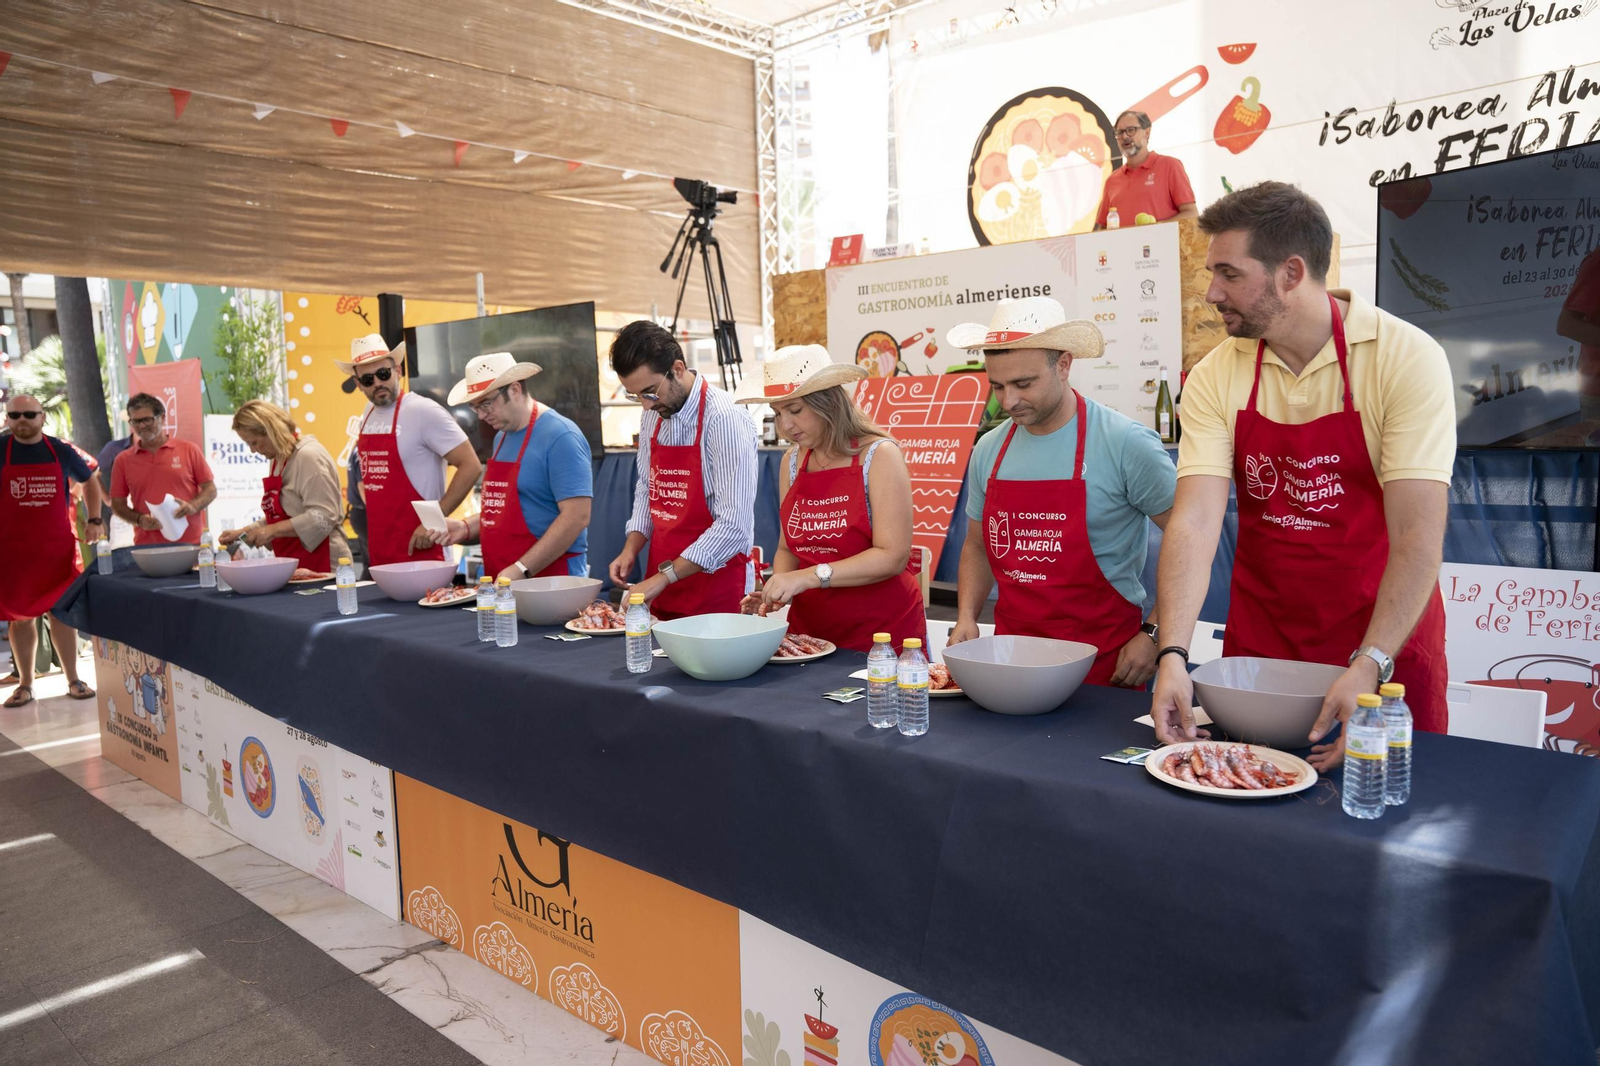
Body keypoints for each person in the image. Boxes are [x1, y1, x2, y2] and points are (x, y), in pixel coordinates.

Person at [1150, 181, 1455, 770]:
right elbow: (1194, 522)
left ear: (1291, 272)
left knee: (1381, 810)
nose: (1211, 293)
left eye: (1229, 274)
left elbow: (1417, 535)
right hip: (1265, 648)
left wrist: (1370, 662)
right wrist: (1173, 654)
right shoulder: (1215, 374)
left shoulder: (1404, 357)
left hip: (1381, 640)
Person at [943, 298, 1176, 688]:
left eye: (1023, 384)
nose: (1008, 401)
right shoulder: (988, 450)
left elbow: (1190, 540)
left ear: (1064, 365)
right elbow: (977, 546)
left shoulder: (1125, 443)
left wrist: (1154, 634)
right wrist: (966, 615)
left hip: (1105, 664)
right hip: (1013, 661)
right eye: (997, 386)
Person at [732, 345, 925, 653]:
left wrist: (807, 577)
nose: (786, 425)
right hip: (811, 631)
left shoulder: (879, 455)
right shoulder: (792, 461)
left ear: (828, 403)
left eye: (795, 410)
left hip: (882, 633)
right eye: (778, 413)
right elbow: (787, 547)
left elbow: (892, 557)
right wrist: (780, 587)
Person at [607, 321, 757, 618]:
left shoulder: (725, 418)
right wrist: (631, 547)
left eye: (649, 392)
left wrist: (664, 578)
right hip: (662, 584)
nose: (645, 405)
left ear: (677, 369)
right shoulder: (654, 412)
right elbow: (647, 487)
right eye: (635, 396)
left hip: (716, 591)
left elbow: (733, 526)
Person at [430, 353, 593, 580]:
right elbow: (504, 510)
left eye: (486, 404)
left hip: (553, 580)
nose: (481, 415)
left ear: (515, 390)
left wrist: (522, 569)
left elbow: (576, 517)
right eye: (475, 407)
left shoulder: (561, 436)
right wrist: (465, 527)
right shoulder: (501, 437)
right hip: (503, 577)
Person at [340, 334, 482, 568]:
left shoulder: (423, 411)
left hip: (425, 552)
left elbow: (471, 465)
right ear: (358, 384)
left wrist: (434, 521)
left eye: (383, 373)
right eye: (367, 379)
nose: (377, 383)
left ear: (397, 370)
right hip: (382, 551)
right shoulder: (368, 413)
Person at [1, 394, 100, 707]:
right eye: (15, 415)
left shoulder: (61, 450)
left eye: (29, 414)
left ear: (42, 417)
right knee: (20, 619)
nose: (22, 420)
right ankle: (26, 684)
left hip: (56, 550)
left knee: (61, 613)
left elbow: (90, 481)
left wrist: (95, 520)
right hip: (13, 552)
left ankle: (73, 679)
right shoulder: (1, 449)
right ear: (7, 419)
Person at [217, 400, 348, 570]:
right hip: (295, 557)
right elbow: (283, 516)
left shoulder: (308, 456)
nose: (253, 450)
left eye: (254, 442)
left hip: (326, 560)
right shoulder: (278, 459)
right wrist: (243, 532)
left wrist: (272, 530)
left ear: (272, 432)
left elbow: (324, 515)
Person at [109, 392, 216, 545]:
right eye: (135, 422)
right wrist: (139, 519)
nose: (141, 426)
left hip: (191, 544)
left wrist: (193, 506)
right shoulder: (123, 460)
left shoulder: (189, 450)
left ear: (163, 418)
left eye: (147, 420)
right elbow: (117, 505)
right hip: (146, 547)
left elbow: (210, 490)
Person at [1094, 110, 1198, 229]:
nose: (1125, 136)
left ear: (1147, 133)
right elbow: (1103, 228)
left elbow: (1191, 214)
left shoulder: (1170, 165)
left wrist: (1155, 231)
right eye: (1120, 132)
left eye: (1131, 130)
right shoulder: (1112, 181)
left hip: (1163, 241)